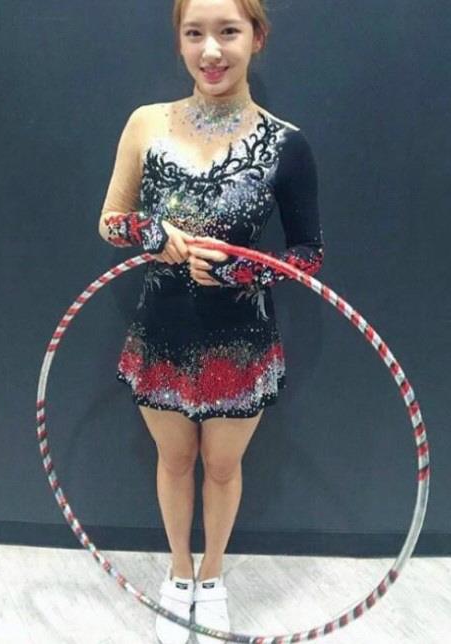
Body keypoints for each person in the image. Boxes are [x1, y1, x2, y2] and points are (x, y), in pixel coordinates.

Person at [98, 0, 324, 642]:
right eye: (195, 33)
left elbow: (308, 255)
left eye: (228, 31)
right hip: (162, 334)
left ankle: (213, 578)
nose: (212, 50)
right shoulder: (148, 123)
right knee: (174, 461)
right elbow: (110, 220)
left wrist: (242, 270)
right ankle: (178, 575)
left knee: (222, 467)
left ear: (257, 37)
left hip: (239, 343)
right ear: (179, 42)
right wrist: (149, 232)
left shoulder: (286, 144)